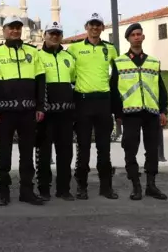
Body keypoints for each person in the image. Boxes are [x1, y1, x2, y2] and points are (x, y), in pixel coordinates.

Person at [0, 15, 47, 206]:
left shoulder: (33, 51)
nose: (15, 31)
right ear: (4, 30)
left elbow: (40, 81)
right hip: (5, 113)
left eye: (18, 28)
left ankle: (27, 191)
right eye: (11, 28)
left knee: (27, 154)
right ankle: (3, 192)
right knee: (4, 154)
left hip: (28, 112)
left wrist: (40, 106)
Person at [110, 23, 168, 201]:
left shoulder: (152, 61)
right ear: (128, 38)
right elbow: (113, 90)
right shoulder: (119, 62)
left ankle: (151, 185)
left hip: (151, 112)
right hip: (130, 113)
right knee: (130, 149)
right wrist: (118, 114)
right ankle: (136, 185)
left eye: (139, 34)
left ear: (143, 37)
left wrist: (163, 110)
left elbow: (160, 87)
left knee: (152, 149)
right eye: (133, 34)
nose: (136, 37)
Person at [66, 13, 119, 200]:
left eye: (98, 25)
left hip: (103, 101)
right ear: (86, 26)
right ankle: (81, 186)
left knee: (104, 148)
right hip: (83, 102)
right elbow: (67, 73)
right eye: (92, 25)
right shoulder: (74, 48)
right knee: (83, 147)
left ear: (103, 28)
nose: (95, 28)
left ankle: (106, 187)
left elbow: (118, 75)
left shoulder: (110, 49)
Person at [35, 22, 76, 201]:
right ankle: (44, 189)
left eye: (58, 33)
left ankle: (63, 189)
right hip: (45, 114)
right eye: (51, 33)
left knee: (65, 152)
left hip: (65, 114)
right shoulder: (36, 57)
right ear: (44, 35)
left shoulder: (69, 57)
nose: (55, 36)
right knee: (43, 153)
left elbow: (73, 82)